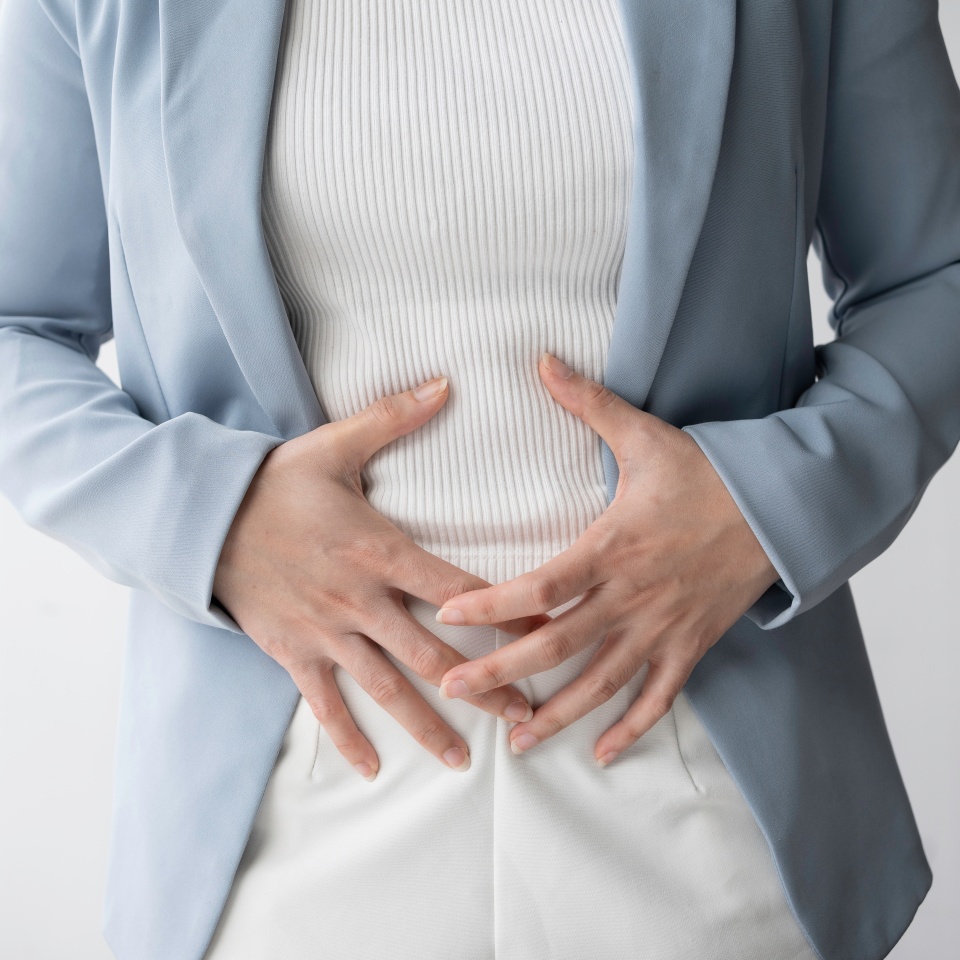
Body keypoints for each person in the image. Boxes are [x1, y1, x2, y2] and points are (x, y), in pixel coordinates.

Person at [0, 0, 958, 958]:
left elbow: (936, 274)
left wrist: (758, 509)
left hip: (705, 767)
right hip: (284, 788)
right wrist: (218, 520)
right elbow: (16, 325)